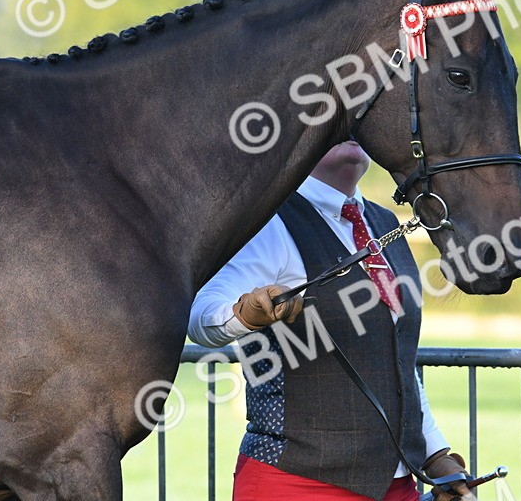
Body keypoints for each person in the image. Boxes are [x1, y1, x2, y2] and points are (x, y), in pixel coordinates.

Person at [189, 140, 473, 501]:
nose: (348, 128)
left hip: (400, 487)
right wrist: (244, 314)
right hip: (294, 485)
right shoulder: (267, 221)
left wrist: (436, 456)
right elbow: (201, 318)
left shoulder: (385, 223)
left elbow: (399, 363)